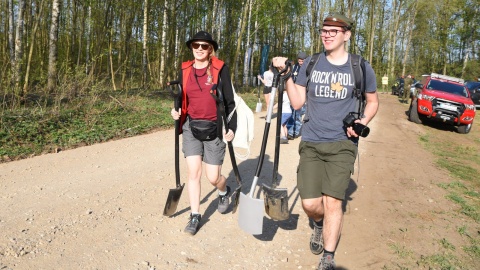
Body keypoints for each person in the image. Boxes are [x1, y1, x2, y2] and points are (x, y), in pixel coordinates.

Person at [272, 13, 379, 269]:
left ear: (346, 35)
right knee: (310, 203)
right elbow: (297, 102)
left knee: (333, 202)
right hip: (311, 141)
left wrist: (363, 120)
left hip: (343, 144)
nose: (327, 34)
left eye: (334, 30)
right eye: (324, 30)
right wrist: (287, 74)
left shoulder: (360, 67)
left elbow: (373, 102)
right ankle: (317, 224)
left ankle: (328, 258)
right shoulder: (312, 62)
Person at [170, 31, 237, 235]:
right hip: (191, 126)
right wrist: (175, 111)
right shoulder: (185, 69)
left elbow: (230, 102)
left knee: (213, 177)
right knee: (194, 173)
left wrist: (232, 127)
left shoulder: (220, 68)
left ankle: (224, 191)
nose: (200, 49)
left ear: (211, 49)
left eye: (205, 46)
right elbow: (179, 96)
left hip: (214, 128)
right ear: (191, 47)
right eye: (196, 45)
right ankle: (195, 215)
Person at [287, 52, 307, 139]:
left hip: (304, 95)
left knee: (300, 114)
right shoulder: (294, 68)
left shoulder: (309, 69)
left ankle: (297, 131)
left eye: (302, 61)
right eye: (299, 61)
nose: (301, 63)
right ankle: (291, 132)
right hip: (295, 94)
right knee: (293, 114)